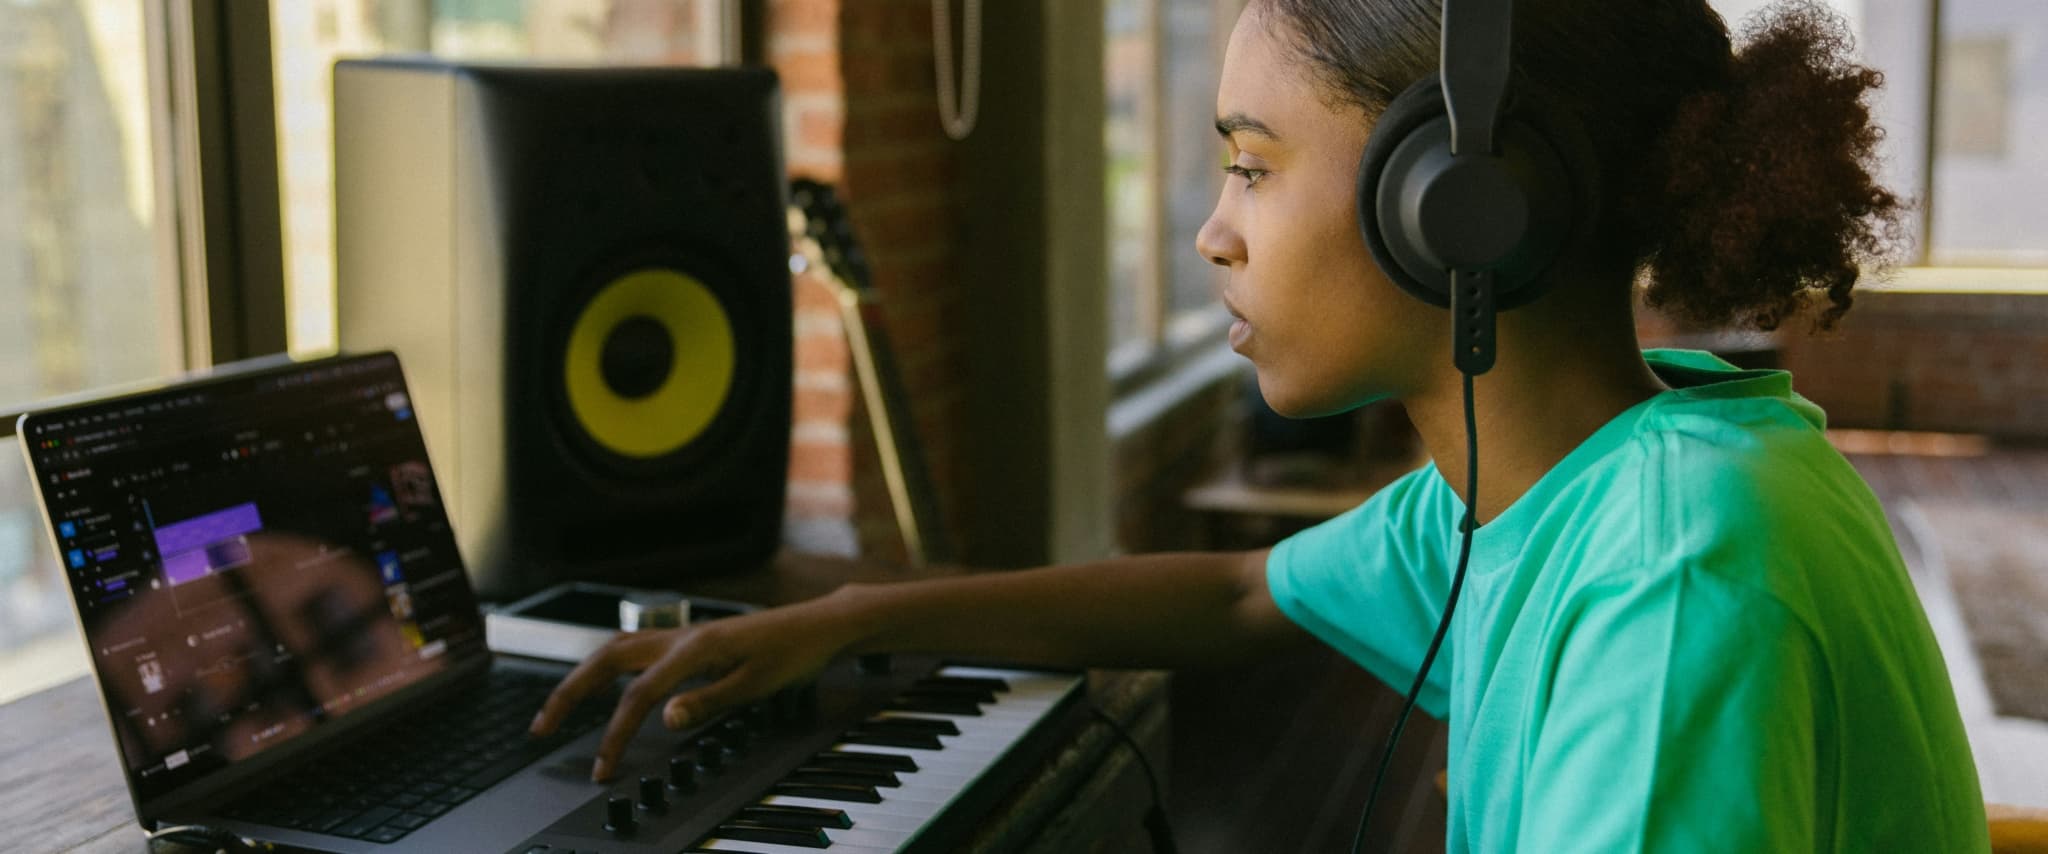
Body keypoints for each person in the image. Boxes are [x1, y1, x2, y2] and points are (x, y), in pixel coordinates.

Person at [531, 0, 1991, 849]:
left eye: (1250, 166)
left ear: (1458, 207)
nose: (1209, 235)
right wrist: (847, 617)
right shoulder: (1570, 479)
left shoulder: (1674, 585)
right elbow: (1239, 589)